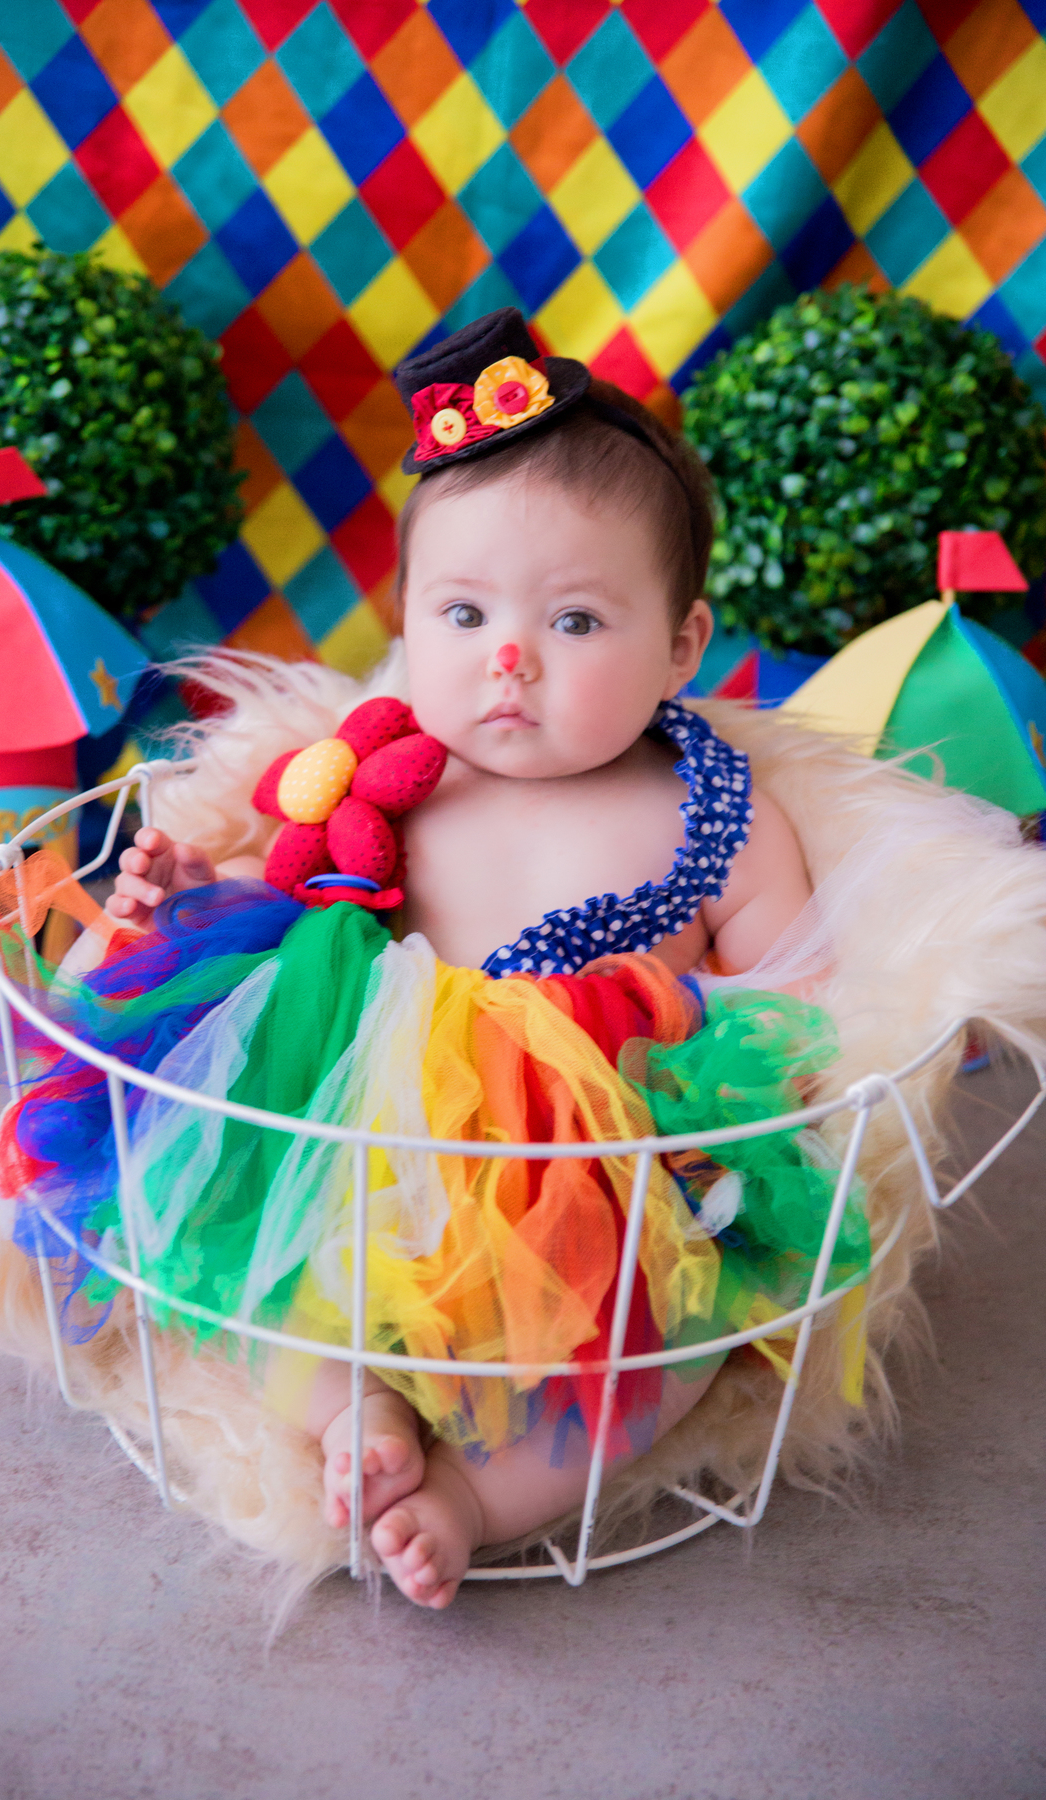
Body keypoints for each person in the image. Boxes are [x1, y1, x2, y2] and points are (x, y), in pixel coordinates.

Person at [96, 312, 827, 1607]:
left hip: (596, 1185)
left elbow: (805, 1000)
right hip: (357, 1140)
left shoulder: (720, 813)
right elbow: (296, 892)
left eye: (579, 621)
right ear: (406, 622)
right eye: (465, 611)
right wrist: (185, 891)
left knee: (681, 1344)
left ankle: (475, 1496)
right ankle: (354, 1418)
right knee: (242, 1261)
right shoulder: (391, 778)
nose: (510, 660)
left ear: (682, 645)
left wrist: (757, 1080)